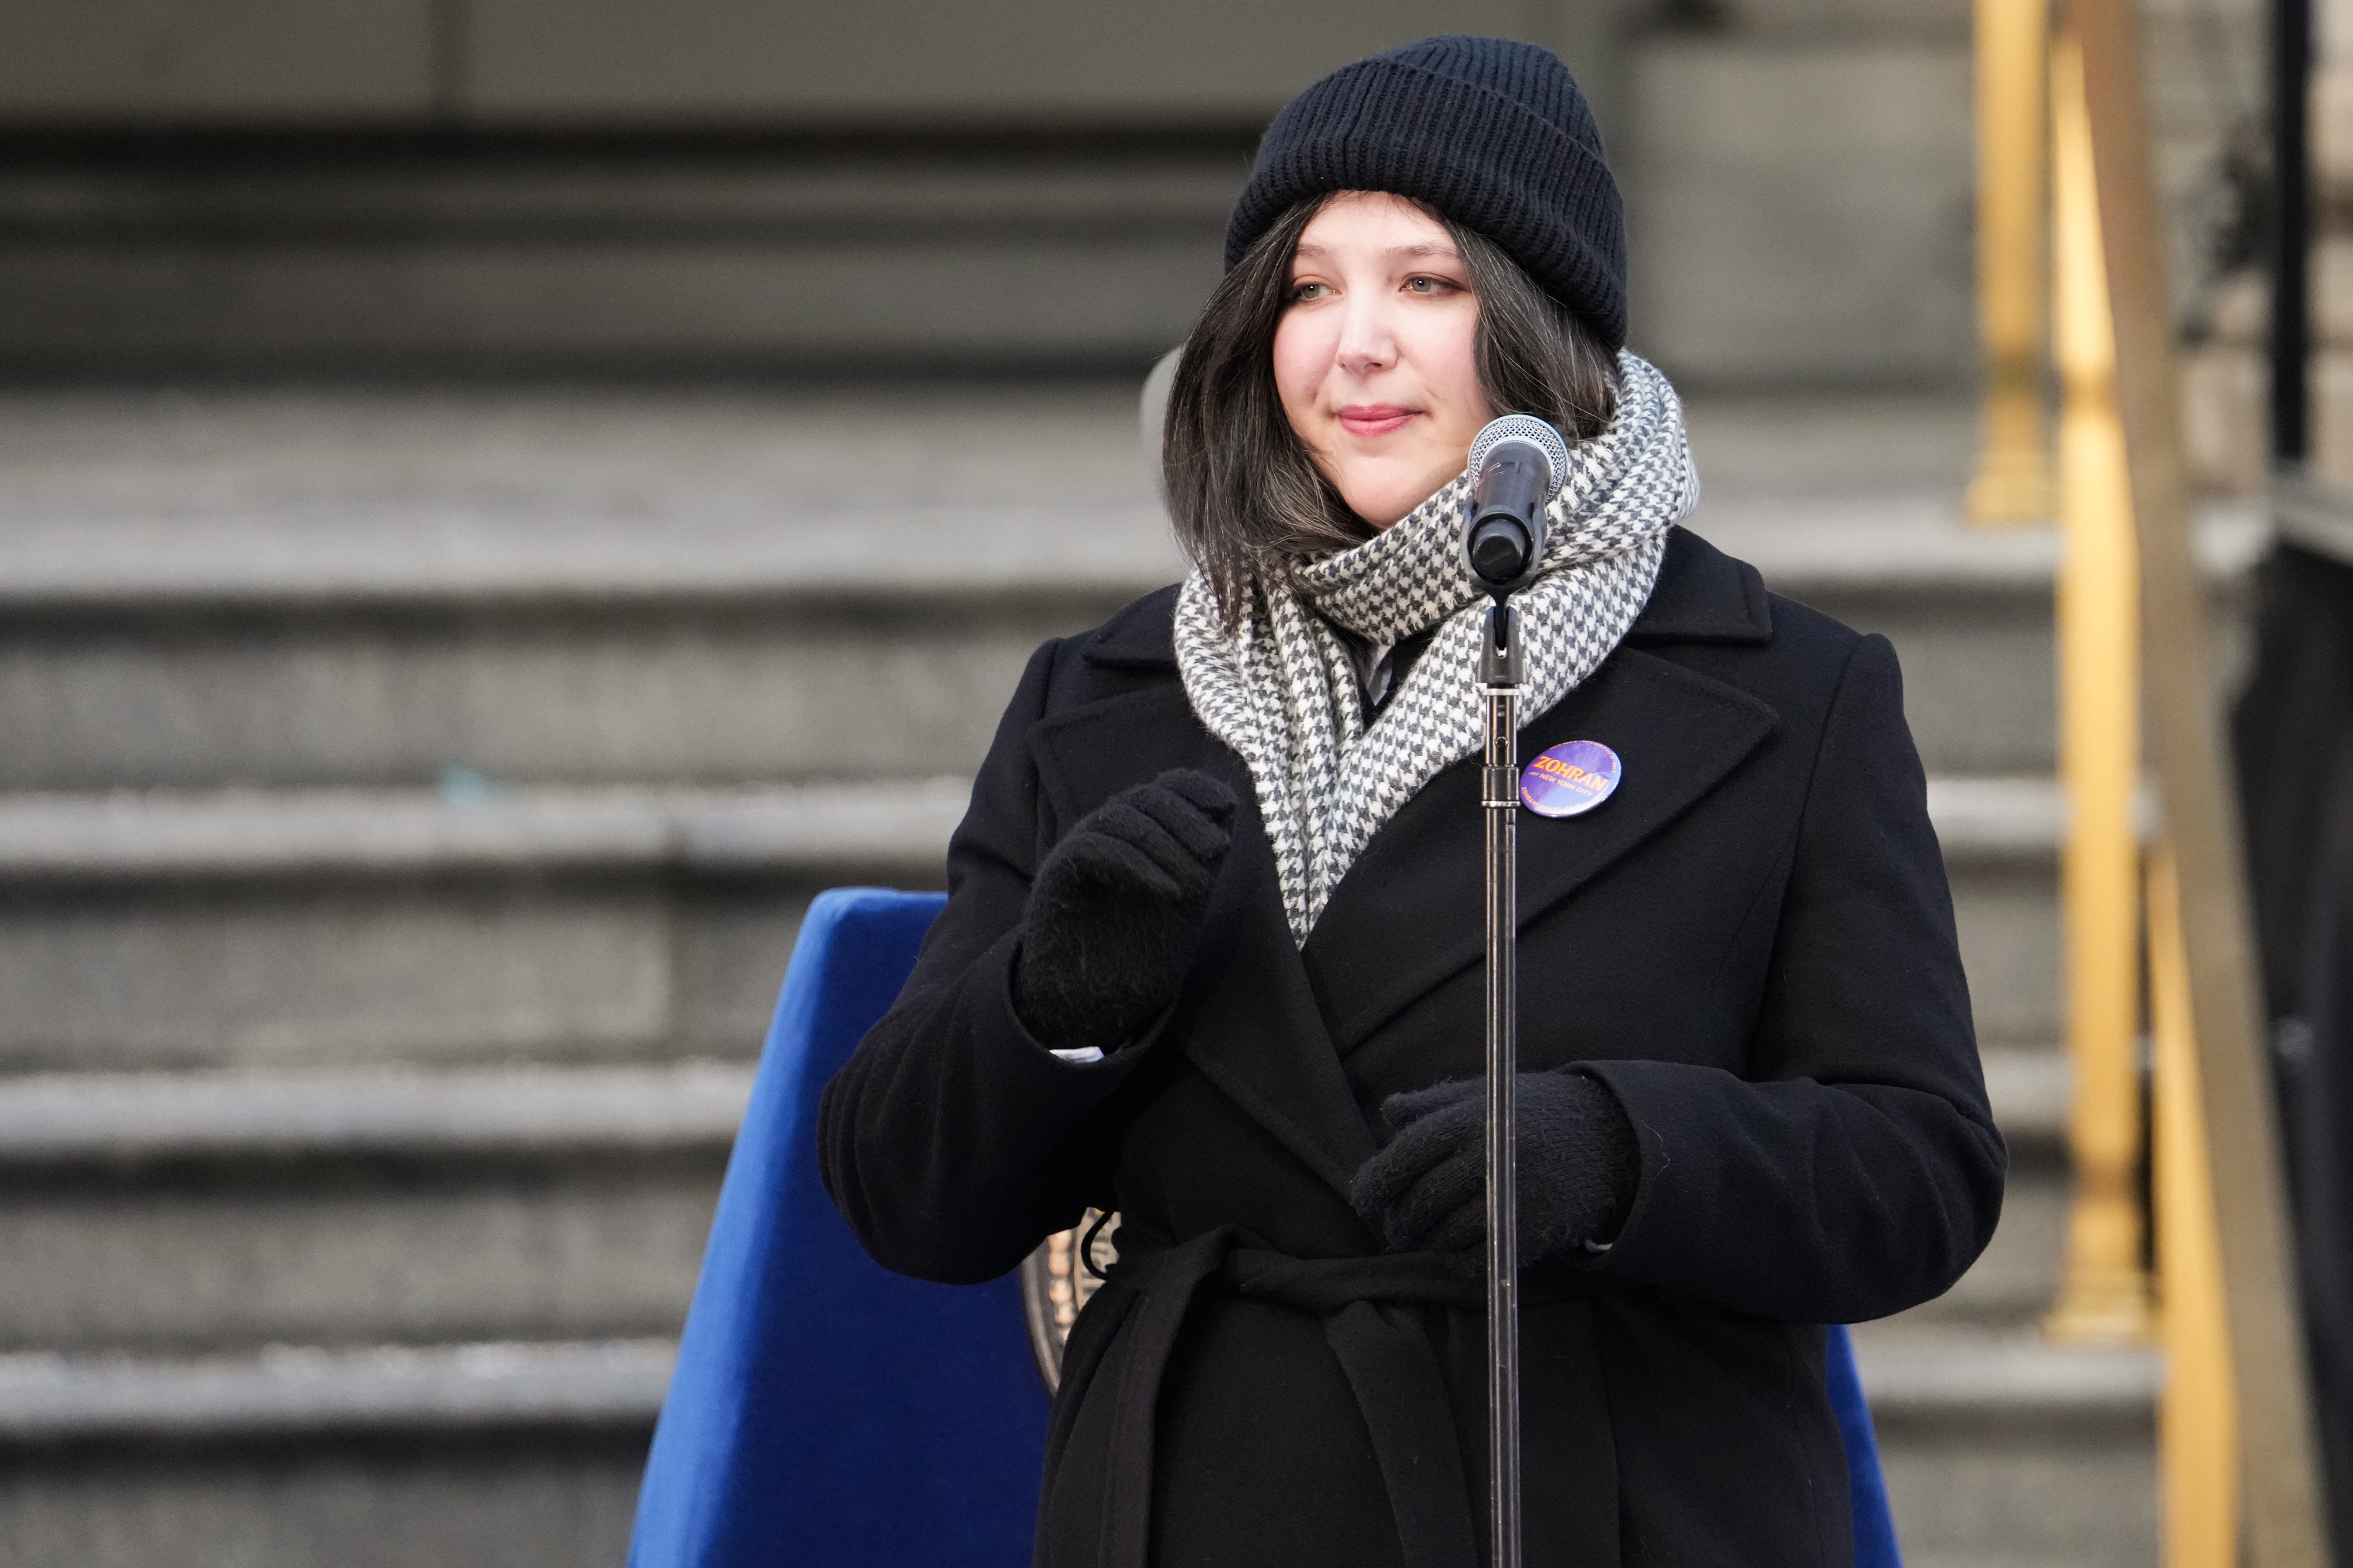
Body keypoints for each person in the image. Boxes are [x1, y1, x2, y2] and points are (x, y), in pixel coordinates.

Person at [821, 34, 2004, 1568]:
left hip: (1605, 1502)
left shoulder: (1789, 695)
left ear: (1543, 330)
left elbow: (1919, 1173)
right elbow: (902, 1197)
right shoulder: (1098, 702)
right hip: (1200, 1506)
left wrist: (1620, 1150)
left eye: (1426, 285)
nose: (1353, 346)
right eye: (1308, 288)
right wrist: (1051, 1006)